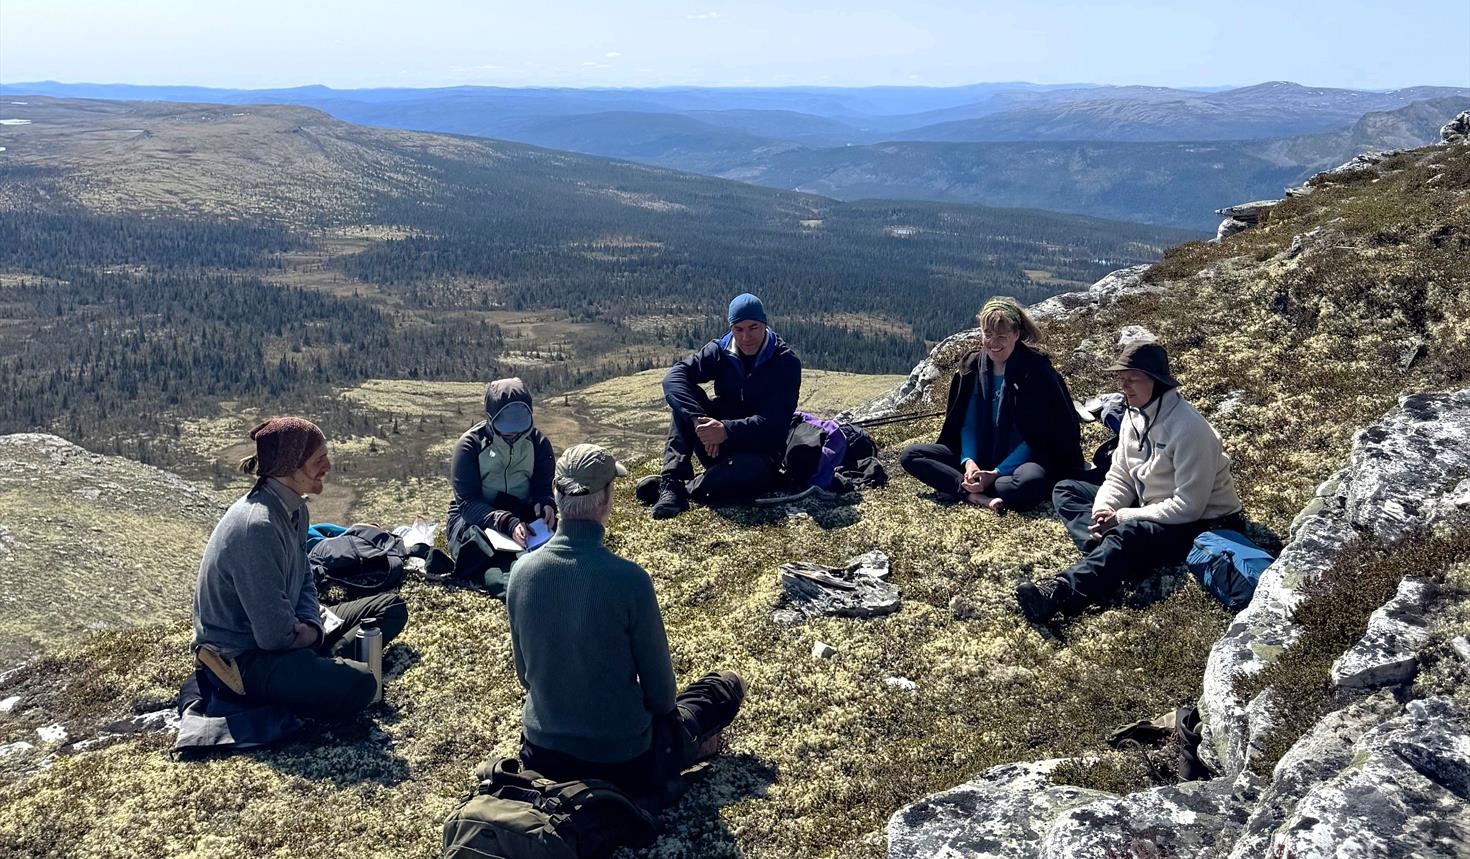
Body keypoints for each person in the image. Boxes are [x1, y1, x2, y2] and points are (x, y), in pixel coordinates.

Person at [508, 443, 746, 805]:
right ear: (606, 499)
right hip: (623, 761)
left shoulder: (521, 572)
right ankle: (693, 745)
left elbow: (525, 676)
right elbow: (662, 698)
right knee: (725, 686)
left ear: (556, 493)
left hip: (542, 755)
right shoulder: (629, 580)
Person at [192, 417, 408, 721]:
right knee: (361, 683)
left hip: (294, 630)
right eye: (319, 460)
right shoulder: (258, 527)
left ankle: (317, 665)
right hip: (244, 658)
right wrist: (313, 634)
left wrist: (311, 625)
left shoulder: (295, 510)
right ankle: (319, 667)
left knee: (391, 607)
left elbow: (305, 577)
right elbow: (273, 637)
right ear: (289, 466)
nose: (328, 466)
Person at [1017, 341, 1246, 622]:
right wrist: (1104, 510)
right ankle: (1111, 551)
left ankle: (1059, 593)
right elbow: (1120, 474)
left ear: (1156, 381)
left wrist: (1122, 517)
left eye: (1132, 379)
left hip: (1204, 523)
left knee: (1130, 533)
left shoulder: (1191, 430)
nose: (1124, 387)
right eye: (1121, 379)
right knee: (1066, 489)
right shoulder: (1133, 415)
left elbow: (1189, 507)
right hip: (1153, 504)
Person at [899, 297, 1083, 514]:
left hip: (1024, 458)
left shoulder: (1036, 371)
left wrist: (996, 473)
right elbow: (968, 424)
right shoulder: (972, 366)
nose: (994, 342)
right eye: (988, 334)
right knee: (911, 455)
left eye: (1002, 336)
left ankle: (964, 486)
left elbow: (1037, 437)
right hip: (981, 453)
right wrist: (969, 462)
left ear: (1016, 334)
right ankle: (974, 495)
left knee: (1028, 484)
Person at [640, 293, 802, 519]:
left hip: (760, 453)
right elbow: (674, 377)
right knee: (685, 402)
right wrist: (698, 421)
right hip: (713, 445)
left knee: (748, 477)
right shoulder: (720, 350)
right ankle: (672, 478)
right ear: (731, 328)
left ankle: (680, 489)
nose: (746, 337)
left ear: (765, 324)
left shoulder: (785, 363)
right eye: (738, 329)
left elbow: (774, 424)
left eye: (753, 328)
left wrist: (726, 430)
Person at [445, 378, 557, 594]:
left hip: (522, 517)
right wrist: (507, 522)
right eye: (505, 428)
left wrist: (546, 504)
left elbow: (543, 488)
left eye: (520, 429)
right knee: (486, 558)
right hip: (474, 520)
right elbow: (467, 504)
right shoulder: (470, 446)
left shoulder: (538, 444)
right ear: (490, 418)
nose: (513, 435)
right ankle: (518, 589)